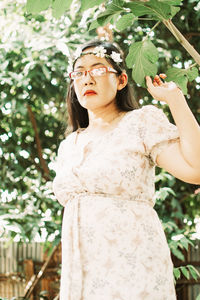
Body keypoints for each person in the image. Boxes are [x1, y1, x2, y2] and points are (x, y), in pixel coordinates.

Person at [52, 40, 200, 300]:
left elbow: (196, 169)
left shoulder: (140, 123)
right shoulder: (68, 145)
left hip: (134, 267)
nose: (87, 79)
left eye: (98, 70)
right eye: (79, 72)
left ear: (121, 80)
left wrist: (175, 99)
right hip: (81, 276)